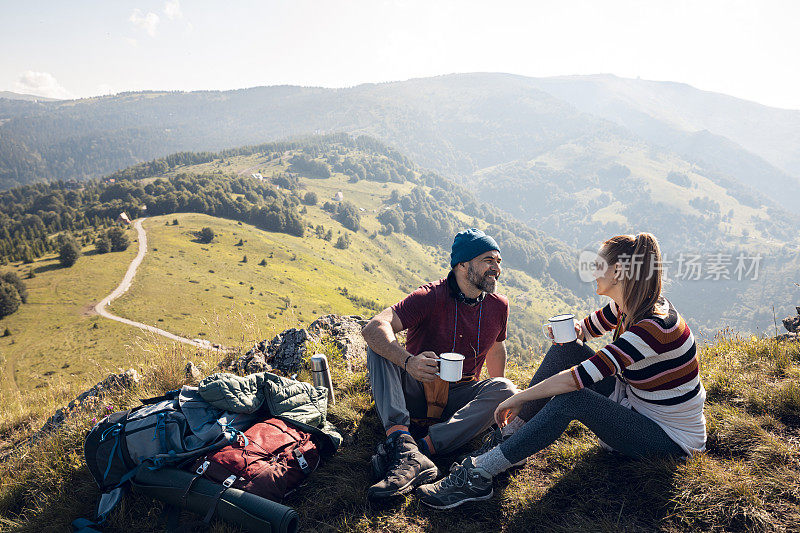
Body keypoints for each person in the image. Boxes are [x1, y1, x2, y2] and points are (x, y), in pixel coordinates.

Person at [417, 233, 706, 509]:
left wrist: (518, 397)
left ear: (618, 272)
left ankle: (481, 475)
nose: (593, 272)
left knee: (573, 398)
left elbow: (575, 379)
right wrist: (572, 332)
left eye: (598, 265)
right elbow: (585, 331)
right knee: (564, 349)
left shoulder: (652, 328)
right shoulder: (629, 306)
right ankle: (510, 441)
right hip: (634, 403)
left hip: (668, 439)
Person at [363, 228, 517, 500]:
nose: (496, 268)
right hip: (416, 390)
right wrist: (408, 362)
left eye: (499, 261)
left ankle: (416, 451)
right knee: (379, 347)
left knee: (506, 389)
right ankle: (399, 436)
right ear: (462, 264)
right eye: (488, 260)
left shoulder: (498, 306)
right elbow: (374, 326)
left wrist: (498, 409)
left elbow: (496, 348)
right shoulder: (430, 296)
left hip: (458, 398)